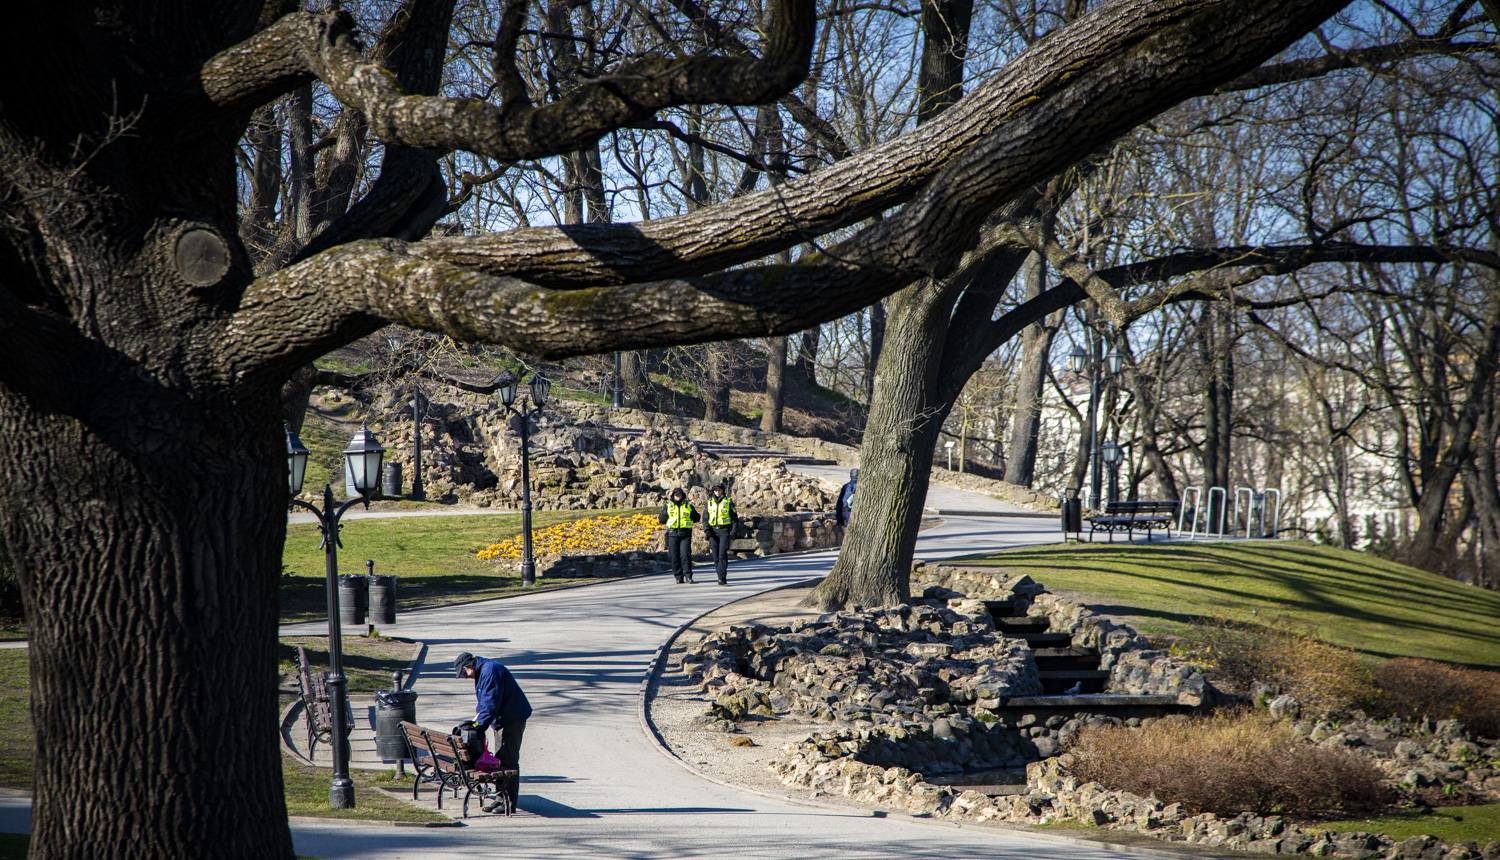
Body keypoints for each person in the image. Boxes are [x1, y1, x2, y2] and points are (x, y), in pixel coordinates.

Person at [455, 651, 532, 813]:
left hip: (512, 718)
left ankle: (509, 804)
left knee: (508, 760)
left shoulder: (490, 671)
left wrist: (478, 728)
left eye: (463, 672)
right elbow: (484, 702)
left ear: (468, 666)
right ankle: (500, 798)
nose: (464, 676)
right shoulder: (483, 671)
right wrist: (475, 722)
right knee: (500, 759)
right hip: (502, 719)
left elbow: (490, 703)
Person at [658, 487, 699, 583]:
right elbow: (661, 520)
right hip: (673, 534)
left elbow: (696, 518)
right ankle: (678, 577)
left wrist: (692, 513)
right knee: (674, 556)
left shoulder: (688, 506)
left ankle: (688, 576)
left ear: (682, 496)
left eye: (679, 495)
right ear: (673, 496)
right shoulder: (668, 506)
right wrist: (664, 513)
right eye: (676, 495)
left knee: (685, 555)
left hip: (685, 534)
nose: (678, 497)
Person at [703, 483, 738, 586]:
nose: (717, 492)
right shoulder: (709, 502)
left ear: (723, 491)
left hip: (724, 531)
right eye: (715, 490)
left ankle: (721, 577)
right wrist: (707, 530)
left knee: (722, 554)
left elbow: (734, 519)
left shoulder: (728, 502)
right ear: (713, 491)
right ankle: (720, 574)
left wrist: (734, 531)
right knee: (715, 556)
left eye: (719, 490)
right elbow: (705, 518)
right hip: (713, 531)